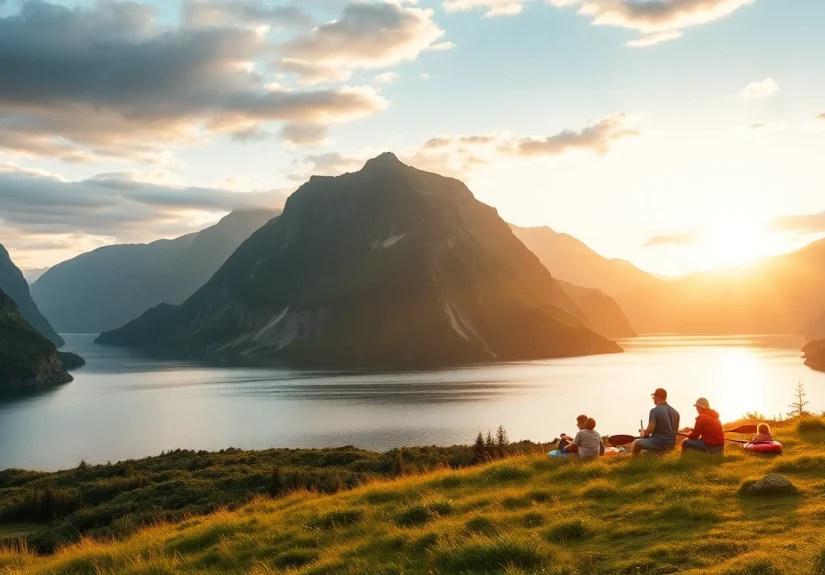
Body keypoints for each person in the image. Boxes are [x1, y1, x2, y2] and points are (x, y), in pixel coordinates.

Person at [632, 388, 680, 456]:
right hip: (671, 444)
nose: (653, 399)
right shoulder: (676, 412)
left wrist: (644, 433)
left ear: (657, 397)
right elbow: (676, 431)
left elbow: (650, 429)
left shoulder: (654, 411)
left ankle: (633, 462)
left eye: (653, 397)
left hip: (659, 443)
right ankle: (658, 455)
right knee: (646, 453)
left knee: (637, 443)